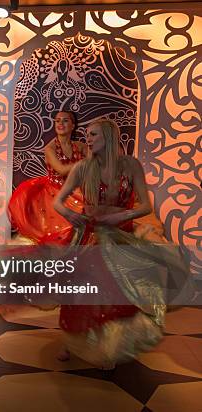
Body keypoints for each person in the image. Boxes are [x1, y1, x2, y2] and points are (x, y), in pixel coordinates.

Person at [52, 118, 191, 368]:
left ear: (109, 136)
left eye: (94, 134)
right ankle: (70, 341)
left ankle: (110, 346)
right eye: (87, 135)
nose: (89, 139)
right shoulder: (83, 167)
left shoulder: (131, 166)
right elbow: (58, 202)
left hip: (120, 236)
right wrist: (69, 214)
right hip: (91, 236)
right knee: (80, 292)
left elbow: (146, 205)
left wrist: (121, 215)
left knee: (117, 292)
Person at [9, 111, 87, 244]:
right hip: (55, 192)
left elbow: (97, 161)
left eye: (65, 120)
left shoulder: (80, 146)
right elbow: (61, 170)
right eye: (57, 121)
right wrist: (85, 163)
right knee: (58, 235)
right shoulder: (50, 148)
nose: (60, 124)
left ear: (73, 125)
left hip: (76, 190)